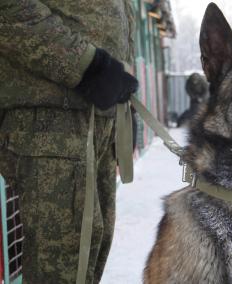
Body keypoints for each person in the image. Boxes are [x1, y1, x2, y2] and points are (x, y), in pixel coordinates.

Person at [0, 0, 138, 283]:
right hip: (51, 119)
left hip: (99, 116)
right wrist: (89, 67)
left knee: (89, 254)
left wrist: (124, 103)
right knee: (62, 264)